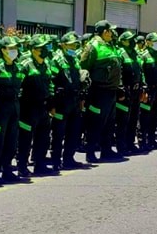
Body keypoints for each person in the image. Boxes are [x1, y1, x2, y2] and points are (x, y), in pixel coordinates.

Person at [79, 20, 122, 163]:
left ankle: (106, 150)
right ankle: (90, 152)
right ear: (105, 31)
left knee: (109, 123)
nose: (112, 33)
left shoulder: (110, 45)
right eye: (110, 31)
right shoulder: (93, 46)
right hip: (98, 92)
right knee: (95, 123)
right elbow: (84, 67)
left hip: (110, 91)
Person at [0, 36, 24, 184]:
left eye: (15, 48)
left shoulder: (18, 67)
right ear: (3, 50)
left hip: (14, 107)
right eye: (10, 49)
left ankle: (7, 170)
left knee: (11, 141)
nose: (14, 51)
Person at [19, 35, 55, 176]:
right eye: (42, 48)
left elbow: (50, 83)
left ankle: (40, 164)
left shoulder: (46, 64)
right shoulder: (26, 64)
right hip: (29, 107)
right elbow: (19, 85)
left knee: (43, 138)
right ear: (34, 50)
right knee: (26, 139)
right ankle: (22, 166)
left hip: (43, 106)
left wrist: (51, 102)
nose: (45, 50)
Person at [49, 32, 85, 170]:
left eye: (75, 44)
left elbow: (77, 80)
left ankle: (69, 158)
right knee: (58, 133)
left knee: (74, 131)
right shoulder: (57, 60)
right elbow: (52, 81)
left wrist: (81, 98)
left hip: (74, 101)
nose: (73, 47)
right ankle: (56, 161)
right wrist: (52, 103)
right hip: (61, 102)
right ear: (63, 45)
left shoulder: (74, 59)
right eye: (70, 44)